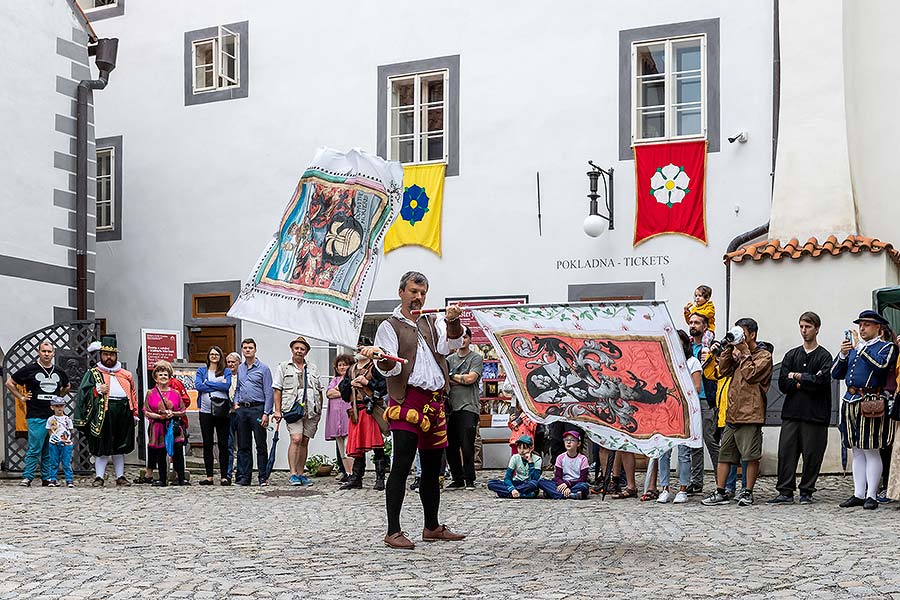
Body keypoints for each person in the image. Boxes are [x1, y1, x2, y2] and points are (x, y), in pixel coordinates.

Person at [360, 270, 466, 550]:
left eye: (422, 293)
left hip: (434, 403)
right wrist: (381, 359)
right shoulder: (389, 326)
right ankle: (393, 530)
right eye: (413, 292)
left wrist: (453, 322)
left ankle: (431, 526)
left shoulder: (433, 322)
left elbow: (450, 345)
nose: (418, 298)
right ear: (401, 293)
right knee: (402, 465)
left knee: (432, 469)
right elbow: (392, 367)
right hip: (406, 401)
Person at [701, 318, 773, 507]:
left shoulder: (763, 355)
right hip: (732, 412)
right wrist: (726, 349)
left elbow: (750, 375)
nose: (740, 336)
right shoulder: (736, 352)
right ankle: (720, 491)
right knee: (725, 455)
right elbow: (723, 371)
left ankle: (747, 492)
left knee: (750, 456)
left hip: (751, 413)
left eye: (743, 332)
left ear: (752, 334)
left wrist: (745, 353)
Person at [832, 310, 897, 510]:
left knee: (871, 448)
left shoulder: (887, 347)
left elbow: (880, 367)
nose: (862, 328)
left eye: (867, 324)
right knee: (857, 449)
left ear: (878, 327)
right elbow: (836, 373)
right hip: (850, 400)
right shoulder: (854, 348)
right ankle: (858, 493)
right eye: (861, 324)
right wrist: (843, 355)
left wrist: (860, 347)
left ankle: (872, 495)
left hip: (871, 401)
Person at [767, 312, 833, 505]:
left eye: (808, 327)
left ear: (817, 328)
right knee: (786, 452)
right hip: (792, 413)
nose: (804, 331)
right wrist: (804, 379)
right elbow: (782, 384)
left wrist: (797, 378)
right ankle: (785, 491)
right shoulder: (792, 354)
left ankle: (806, 491)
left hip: (815, 415)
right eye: (802, 327)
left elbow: (819, 382)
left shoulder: (824, 356)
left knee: (812, 454)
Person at [74, 335, 138, 487]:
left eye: (112, 354)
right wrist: (96, 390)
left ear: (116, 355)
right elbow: (83, 393)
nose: (109, 357)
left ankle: (120, 476)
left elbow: (133, 394)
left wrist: (134, 412)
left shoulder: (126, 374)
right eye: (105, 354)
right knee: (102, 445)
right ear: (101, 354)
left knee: (119, 445)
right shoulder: (93, 373)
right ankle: (99, 477)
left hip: (123, 411)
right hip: (104, 413)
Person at [5, 340, 70, 486]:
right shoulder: (30, 369)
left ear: (53, 353)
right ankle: (28, 476)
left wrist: (58, 396)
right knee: (35, 447)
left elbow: (67, 386)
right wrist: (21, 397)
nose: (46, 354)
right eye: (44, 351)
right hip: (36, 414)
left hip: (54, 417)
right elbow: (10, 382)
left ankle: (47, 478)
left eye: (49, 351)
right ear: (38, 352)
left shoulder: (59, 371)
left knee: (50, 448)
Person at [658, 330, 703, 504]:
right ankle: (664, 488)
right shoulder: (665, 361)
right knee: (664, 452)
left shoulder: (693, 362)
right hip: (666, 409)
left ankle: (683, 488)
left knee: (684, 452)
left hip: (684, 411)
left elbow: (697, 388)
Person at [273, 336, 324, 486]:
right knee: (296, 439)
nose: (299, 351)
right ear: (292, 349)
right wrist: (277, 410)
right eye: (297, 348)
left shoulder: (313, 368)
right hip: (292, 409)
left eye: (302, 349)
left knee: (305, 441)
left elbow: (319, 390)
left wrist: (319, 409)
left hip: (311, 410)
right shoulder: (283, 367)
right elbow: (277, 389)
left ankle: (301, 474)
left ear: (306, 351)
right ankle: (293, 473)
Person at [339, 338, 389, 490]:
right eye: (358, 347)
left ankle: (380, 479)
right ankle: (356, 478)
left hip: (372, 410)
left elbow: (384, 388)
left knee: (377, 446)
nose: (360, 350)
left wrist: (367, 383)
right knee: (357, 447)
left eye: (363, 347)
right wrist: (350, 383)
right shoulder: (351, 369)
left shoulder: (375, 368)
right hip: (356, 410)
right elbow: (343, 391)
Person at [446, 327, 483, 490]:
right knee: (450, 445)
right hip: (451, 408)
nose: (462, 340)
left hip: (469, 406)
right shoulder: (449, 360)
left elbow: (471, 378)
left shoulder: (476, 358)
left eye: (465, 337)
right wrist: (459, 379)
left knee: (467, 443)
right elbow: (444, 381)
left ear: (470, 339)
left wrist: (453, 377)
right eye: (459, 337)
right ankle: (457, 478)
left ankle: (469, 478)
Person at [233, 338, 274, 487]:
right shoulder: (241, 368)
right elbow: (238, 387)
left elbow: (269, 392)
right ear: (242, 350)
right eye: (245, 348)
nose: (248, 350)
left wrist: (266, 413)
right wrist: (236, 403)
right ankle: (244, 477)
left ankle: (263, 477)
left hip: (258, 409)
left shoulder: (264, 369)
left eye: (250, 347)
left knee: (260, 445)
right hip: (243, 409)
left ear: (255, 349)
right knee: (243, 445)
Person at [686, 312, 719, 496]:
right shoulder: (687, 347)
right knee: (694, 443)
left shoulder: (712, 347)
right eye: (691, 322)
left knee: (710, 440)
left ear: (705, 326)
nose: (693, 325)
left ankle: (721, 481)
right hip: (691, 399)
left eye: (697, 322)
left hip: (706, 398)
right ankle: (696, 481)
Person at [144, 360, 189, 486]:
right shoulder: (150, 393)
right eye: (161, 375)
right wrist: (159, 416)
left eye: (166, 375)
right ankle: (162, 479)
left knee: (178, 451)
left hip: (173, 426)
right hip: (158, 426)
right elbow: (146, 411)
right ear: (156, 378)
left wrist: (172, 414)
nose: (163, 377)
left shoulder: (175, 393)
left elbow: (182, 410)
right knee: (160, 452)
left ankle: (181, 478)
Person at [195, 346, 233, 486]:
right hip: (205, 411)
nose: (214, 356)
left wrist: (209, 384)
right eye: (211, 354)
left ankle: (224, 476)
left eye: (216, 354)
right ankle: (209, 476)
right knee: (207, 443)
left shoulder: (226, 371)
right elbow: (199, 386)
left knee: (223, 444)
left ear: (220, 356)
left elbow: (226, 386)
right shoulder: (202, 370)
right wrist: (218, 383)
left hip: (222, 411)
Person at [325, 353, 354, 482]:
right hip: (336, 419)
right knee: (341, 448)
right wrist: (342, 392)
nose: (342, 367)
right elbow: (329, 393)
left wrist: (339, 391)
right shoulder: (334, 380)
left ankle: (353, 473)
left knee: (349, 447)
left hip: (348, 417)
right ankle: (347, 473)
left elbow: (351, 392)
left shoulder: (352, 378)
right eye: (340, 365)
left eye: (345, 365)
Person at [539, 431, 590, 499]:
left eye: (572, 440)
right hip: (562, 483)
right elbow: (557, 477)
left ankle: (555, 493)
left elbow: (583, 479)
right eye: (566, 440)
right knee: (541, 482)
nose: (568, 442)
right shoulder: (560, 457)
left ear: (578, 443)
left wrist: (568, 484)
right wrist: (563, 484)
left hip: (575, 484)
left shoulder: (583, 459)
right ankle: (570, 494)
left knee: (584, 486)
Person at [45, 396, 75, 488]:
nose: (59, 408)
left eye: (61, 406)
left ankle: (69, 480)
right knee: (53, 461)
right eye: (57, 406)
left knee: (66, 462)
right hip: (54, 443)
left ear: (64, 406)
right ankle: (52, 479)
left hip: (66, 443)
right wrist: (54, 438)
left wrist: (66, 439)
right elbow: (49, 430)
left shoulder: (67, 419)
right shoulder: (50, 419)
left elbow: (71, 430)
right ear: (52, 407)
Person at [224, 351, 241, 483]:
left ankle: (240, 473)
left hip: (241, 413)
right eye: (228, 362)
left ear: (238, 363)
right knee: (228, 445)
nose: (230, 364)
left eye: (233, 362)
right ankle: (228, 474)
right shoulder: (224, 376)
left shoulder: (243, 375)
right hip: (228, 414)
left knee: (242, 445)